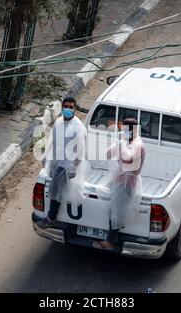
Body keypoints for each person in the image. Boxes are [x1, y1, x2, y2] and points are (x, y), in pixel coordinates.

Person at [93, 118, 146, 250]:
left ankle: (110, 242)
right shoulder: (124, 142)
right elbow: (108, 154)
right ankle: (115, 232)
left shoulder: (138, 144)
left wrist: (120, 145)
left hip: (128, 183)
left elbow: (128, 160)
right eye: (125, 128)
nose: (127, 131)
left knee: (116, 210)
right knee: (115, 209)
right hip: (119, 179)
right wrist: (117, 144)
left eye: (130, 128)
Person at [37, 97, 86, 229]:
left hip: (67, 164)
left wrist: (74, 167)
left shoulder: (78, 127)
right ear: (62, 107)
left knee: (55, 190)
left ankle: (51, 218)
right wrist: (46, 156)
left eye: (71, 107)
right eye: (66, 106)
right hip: (56, 160)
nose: (68, 109)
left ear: (75, 109)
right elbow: (52, 140)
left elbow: (80, 150)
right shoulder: (59, 122)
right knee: (54, 188)